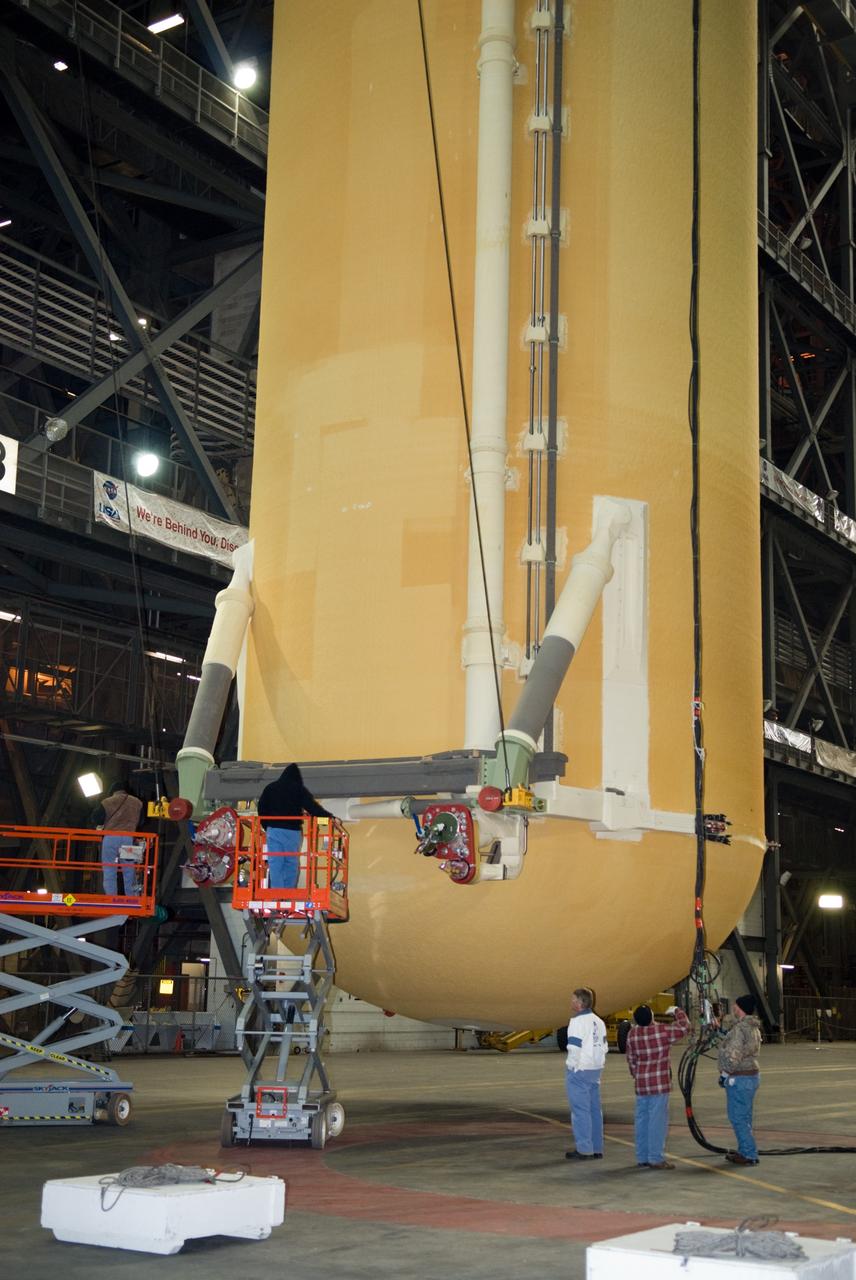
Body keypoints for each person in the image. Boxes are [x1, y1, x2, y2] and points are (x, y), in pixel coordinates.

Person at [626, 1003, 691, 1169]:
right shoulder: (661, 1031)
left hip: (641, 1084)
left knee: (642, 1120)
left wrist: (637, 1074)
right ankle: (655, 1158)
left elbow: (631, 1060)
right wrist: (676, 1011)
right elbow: (685, 1027)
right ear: (652, 1018)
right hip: (659, 1084)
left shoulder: (632, 1034)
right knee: (657, 1121)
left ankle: (642, 1157)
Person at [258, 763, 333, 890]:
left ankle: (276, 895)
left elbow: (262, 809)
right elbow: (313, 808)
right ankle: (288, 895)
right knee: (291, 863)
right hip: (292, 832)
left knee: (275, 863)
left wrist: (268, 827)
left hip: (274, 831)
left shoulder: (270, 788)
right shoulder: (298, 788)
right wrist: (328, 819)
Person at [564, 987, 608, 1161]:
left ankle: (584, 1149)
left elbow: (574, 1047)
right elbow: (604, 1046)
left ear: (579, 1003)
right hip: (595, 1069)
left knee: (580, 1111)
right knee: (594, 1110)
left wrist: (572, 1066)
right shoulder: (599, 1021)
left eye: (573, 999)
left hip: (580, 1070)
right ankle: (597, 1148)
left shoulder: (577, 1022)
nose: (571, 1002)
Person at [718, 993, 762, 1166]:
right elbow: (739, 1046)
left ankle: (749, 1154)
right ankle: (744, 1150)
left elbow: (733, 1055)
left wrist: (724, 1075)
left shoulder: (739, 1029)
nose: (733, 1008)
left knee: (737, 1117)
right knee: (745, 1117)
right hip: (752, 1076)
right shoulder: (753, 1027)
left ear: (741, 1008)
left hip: (739, 1078)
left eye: (736, 1006)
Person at [94, 782, 143, 896]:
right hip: (129, 838)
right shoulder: (137, 802)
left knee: (109, 869)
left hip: (110, 838)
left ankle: (111, 897)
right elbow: (142, 821)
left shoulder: (107, 802)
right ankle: (132, 897)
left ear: (113, 791)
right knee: (130, 870)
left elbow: (96, 819)